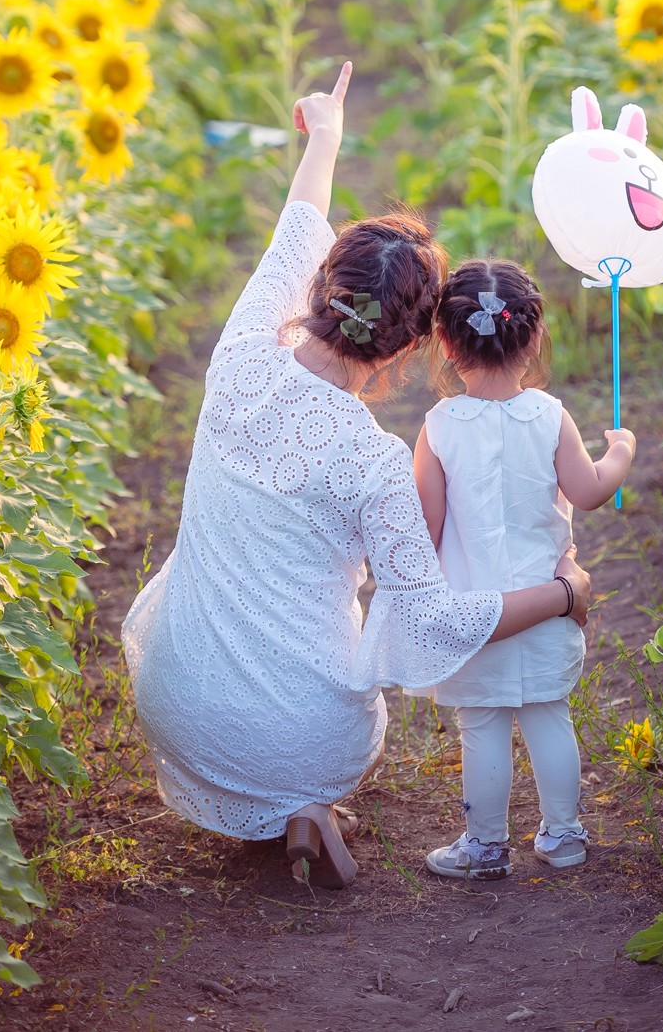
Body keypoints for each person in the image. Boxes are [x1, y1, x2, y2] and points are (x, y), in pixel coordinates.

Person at [122, 63, 593, 890]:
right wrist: (562, 592)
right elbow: (434, 620)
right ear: (410, 348)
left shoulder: (239, 354)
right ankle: (305, 801)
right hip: (300, 739)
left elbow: (297, 227)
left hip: (171, 699)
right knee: (339, 702)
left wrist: (326, 136)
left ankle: (266, 794)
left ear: (319, 288)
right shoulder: (373, 459)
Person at [413, 258, 636, 881]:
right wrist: (620, 453)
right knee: (548, 716)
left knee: (481, 725)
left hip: (476, 613)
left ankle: (486, 846)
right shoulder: (549, 415)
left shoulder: (438, 427)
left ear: (446, 343)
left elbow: (427, 527)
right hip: (547, 602)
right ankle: (563, 836)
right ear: (534, 338)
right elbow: (589, 490)